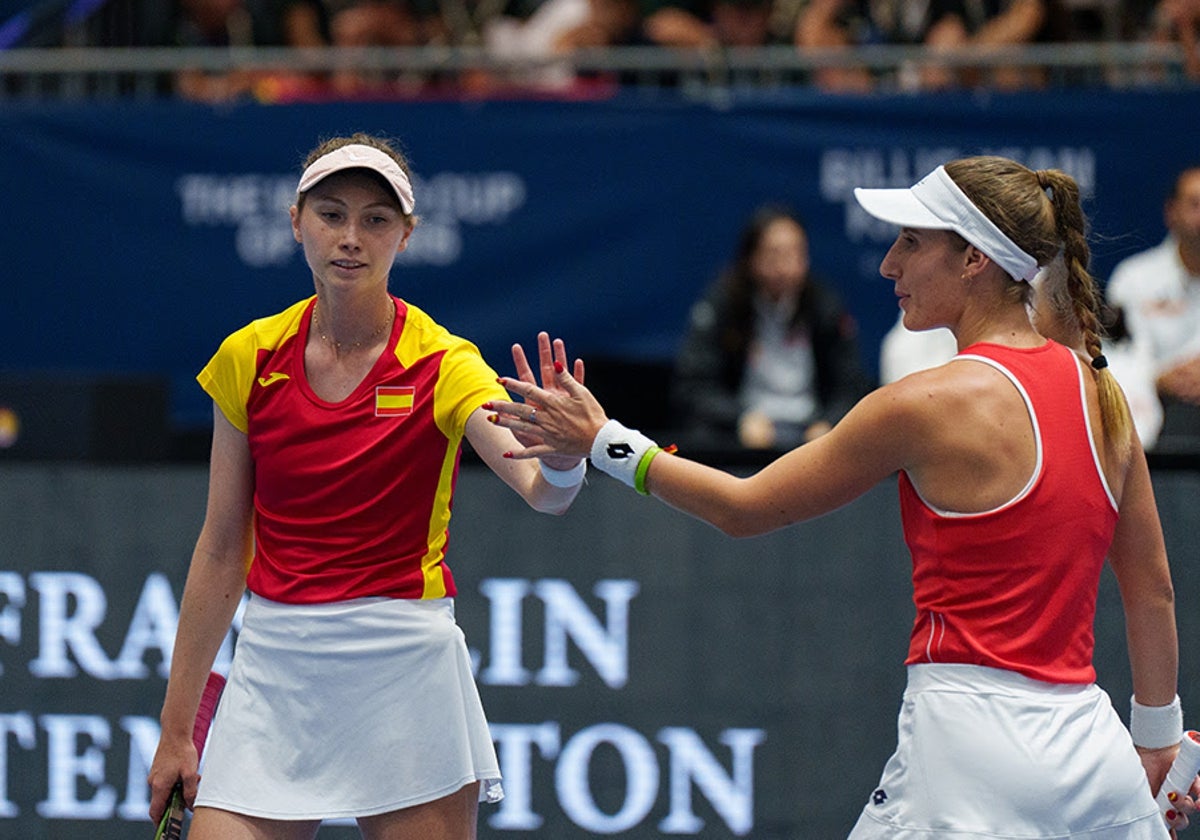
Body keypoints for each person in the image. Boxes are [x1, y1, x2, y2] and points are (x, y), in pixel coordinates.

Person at [490, 156, 1199, 837]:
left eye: (911, 242)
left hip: (969, 757)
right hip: (1094, 756)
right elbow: (1153, 592)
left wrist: (605, 441)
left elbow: (745, 508)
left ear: (975, 259)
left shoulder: (922, 403)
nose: (889, 263)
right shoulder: (1103, 395)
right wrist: (1159, 739)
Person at [146, 132, 588, 839]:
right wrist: (177, 730)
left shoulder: (445, 362)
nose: (351, 238)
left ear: (405, 236)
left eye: (376, 220)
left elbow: (544, 489)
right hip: (276, 668)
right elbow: (223, 549)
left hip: (404, 668)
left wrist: (568, 456)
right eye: (331, 214)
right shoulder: (248, 357)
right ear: (296, 222)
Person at [672, 205, 873, 451]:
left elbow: (851, 384)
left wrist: (828, 422)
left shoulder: (825, 305)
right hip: (745, 431)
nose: (785, 266)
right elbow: (693, 386)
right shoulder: (724, 303)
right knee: (699, 437)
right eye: (774, 254)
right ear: (751, 258)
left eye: (795, 253)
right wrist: (740, 417)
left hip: (811, 429)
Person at [1106, 165, 1200, 451]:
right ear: (1171, 212)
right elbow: (1110, 359)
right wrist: (1158, 379)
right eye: (1196, 205)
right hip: (1150, 430)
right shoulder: (1133, 279)